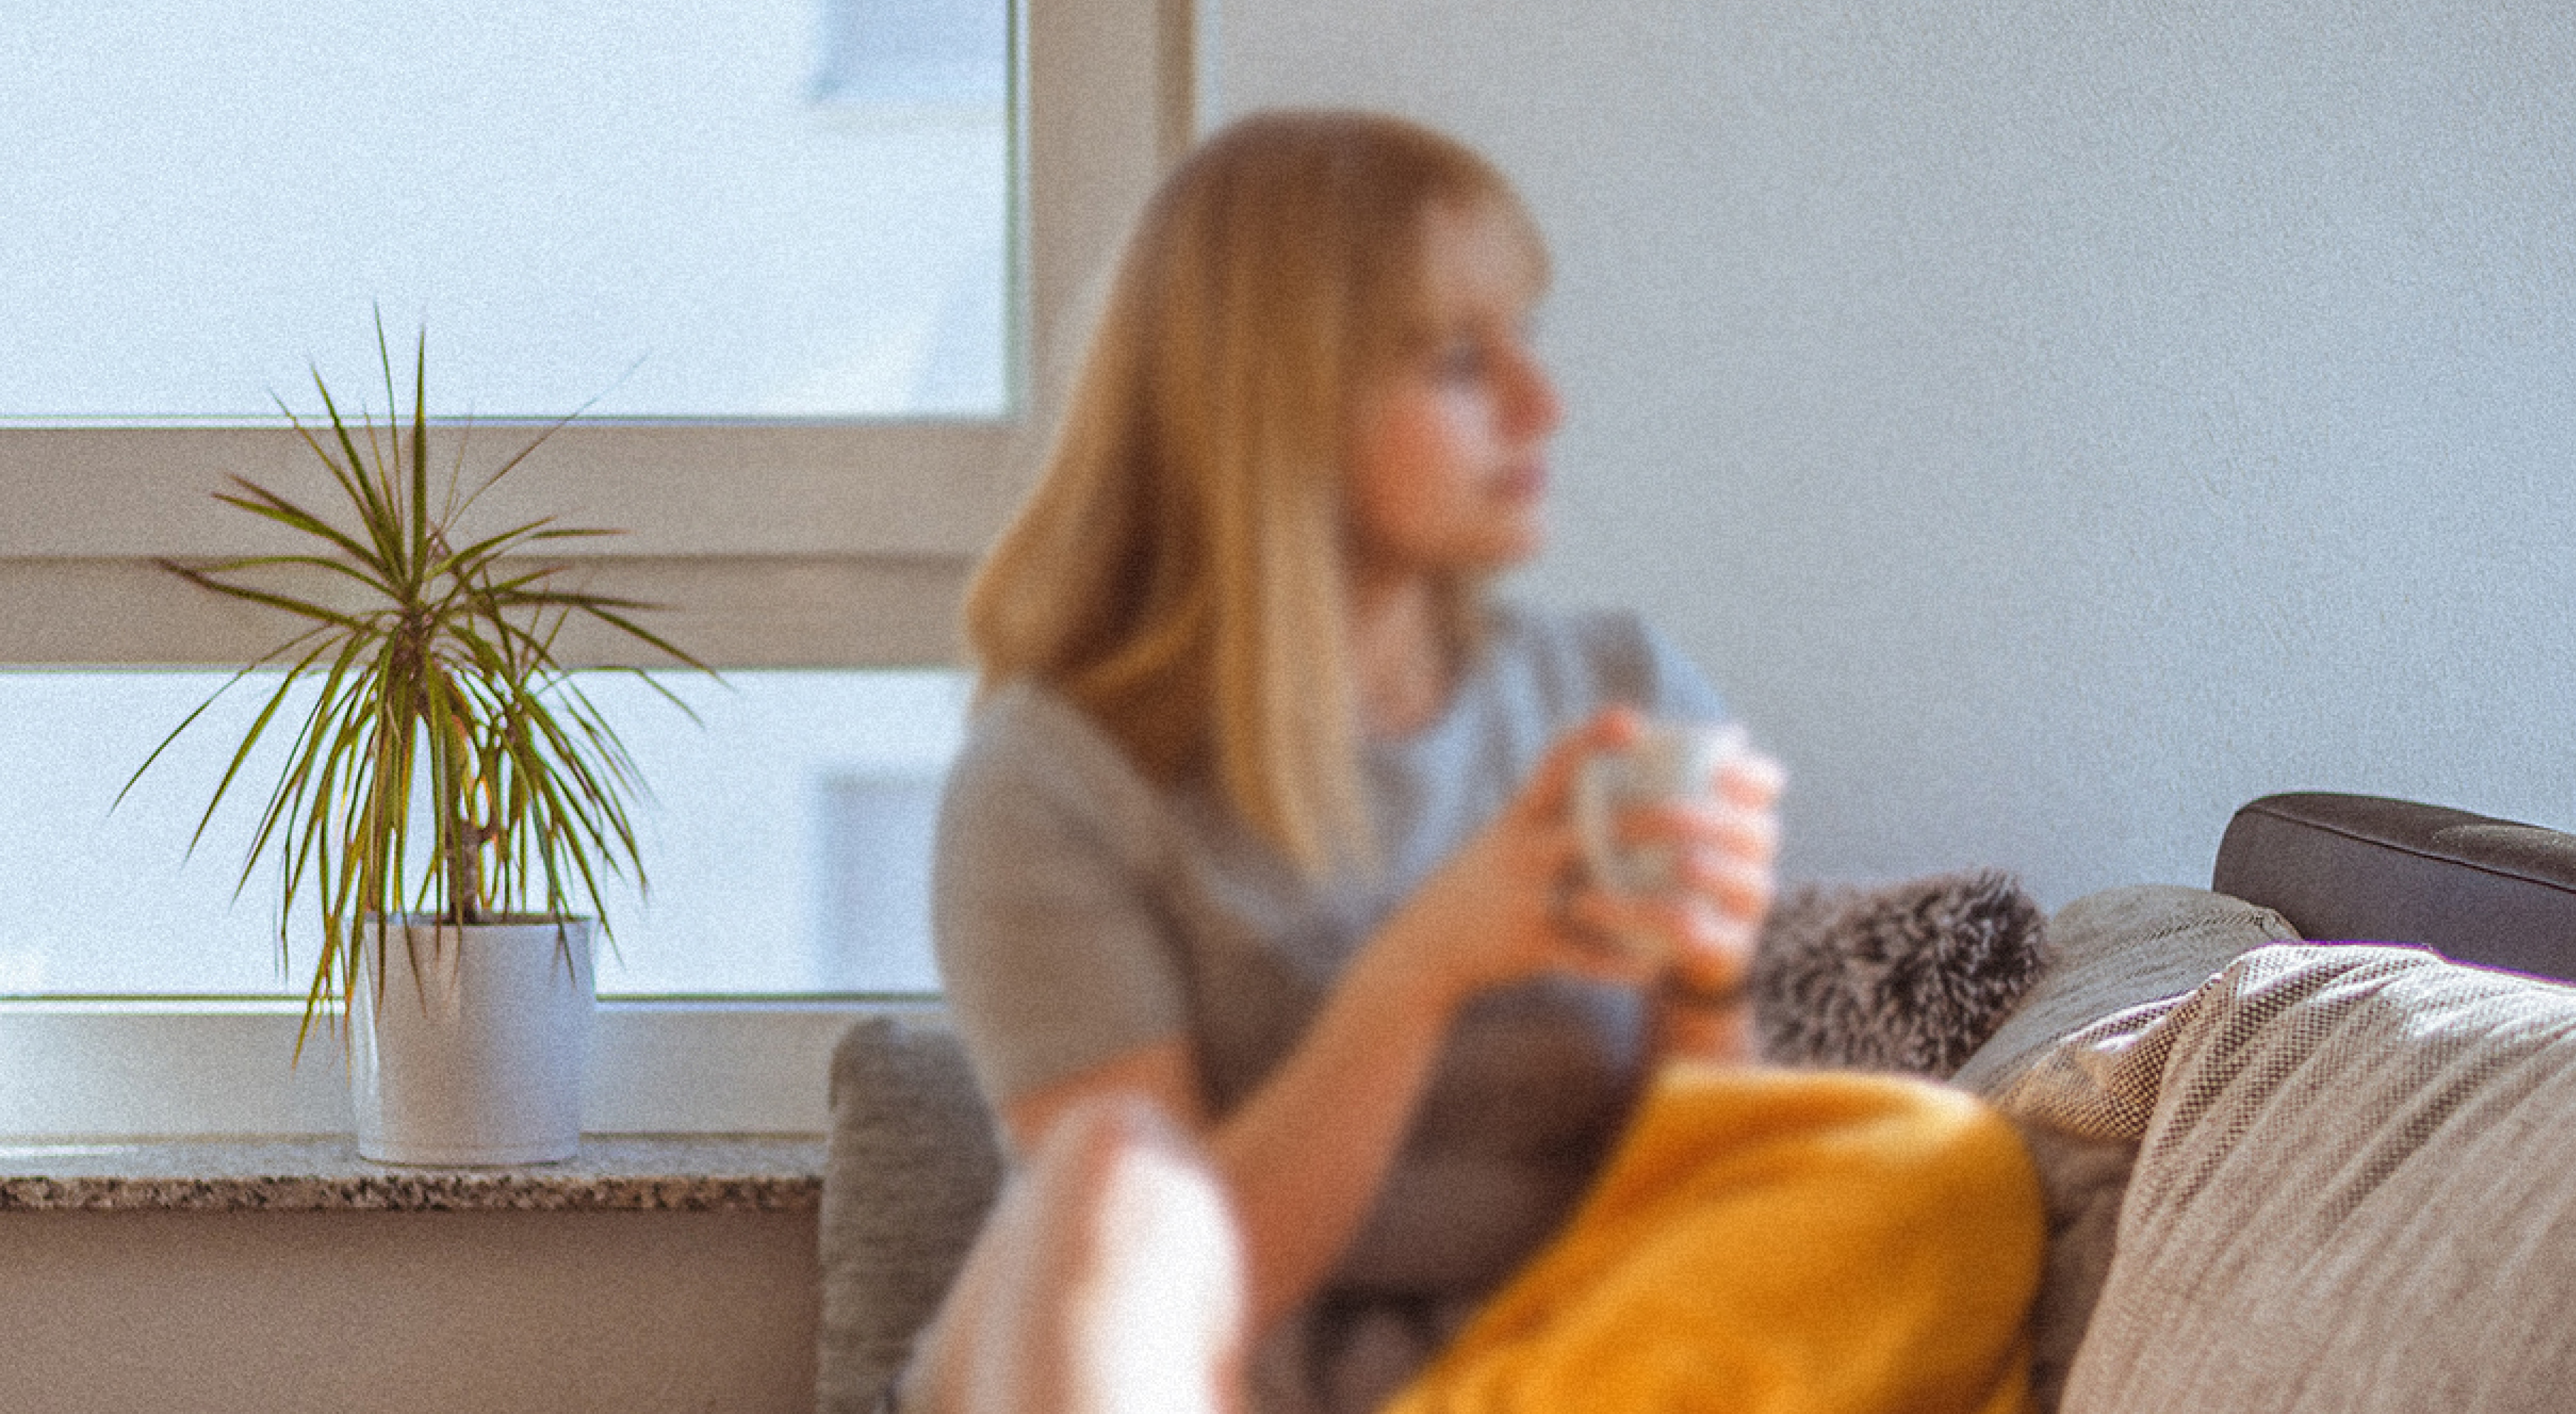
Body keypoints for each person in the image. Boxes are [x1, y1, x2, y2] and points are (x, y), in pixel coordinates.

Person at [915, 109, 2041, 1414]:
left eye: (1529, 341)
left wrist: (1706, 972)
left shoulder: (1613, 690)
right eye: (1460, 362)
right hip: (1196, 1377)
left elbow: (1692, 1203)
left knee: (1940, 1166)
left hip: (1545, 1368)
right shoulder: (1051, 785)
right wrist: (1423, 970)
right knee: (1109, 1178)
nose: (1540, 405)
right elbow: (1165, 1281)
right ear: (1275, 407)